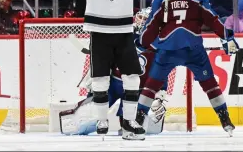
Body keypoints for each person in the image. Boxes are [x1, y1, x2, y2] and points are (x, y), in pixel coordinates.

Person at [50, 0, 176, 140]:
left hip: (124, 34)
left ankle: (128, 122)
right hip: (99, 34)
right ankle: (101, 120)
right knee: (100, 81)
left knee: (132, 79)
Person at [135, 0, 239, 136]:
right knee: (210, 84)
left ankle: (138, 120)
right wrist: (227, 36)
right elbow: (213, 20)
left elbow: (151, 27)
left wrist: (140, 43)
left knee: (151, 86)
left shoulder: (161, 0)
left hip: (167, 50)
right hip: (193, 49)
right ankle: (225, 119)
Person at [60, 8, 168, 136]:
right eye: (141, 18)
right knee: (83, 120)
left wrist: (161, 92)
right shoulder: (125, 36)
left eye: (146, 20)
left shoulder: (161, 44)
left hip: (138, 91)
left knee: (143, 127)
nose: (142, 23)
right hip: (113, 85)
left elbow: (162, 70)